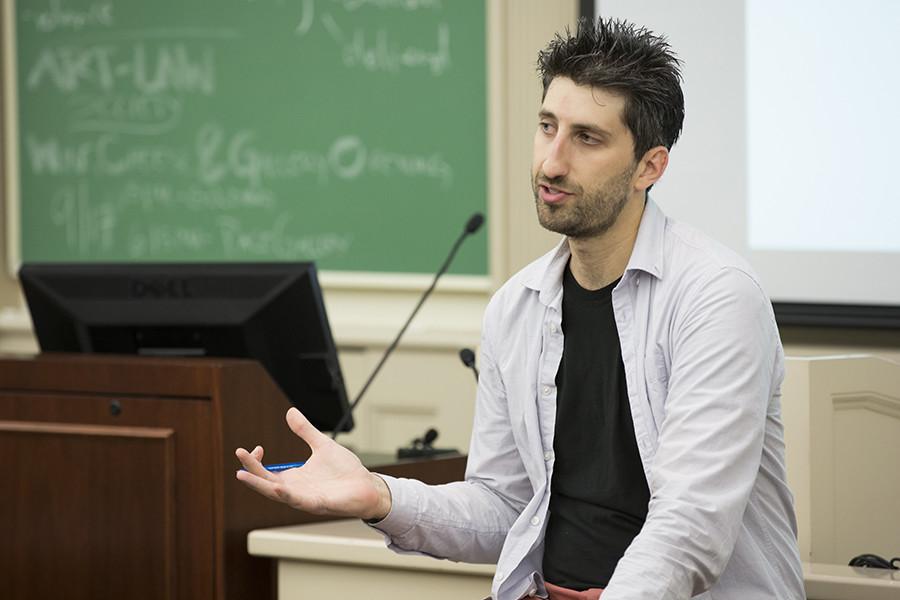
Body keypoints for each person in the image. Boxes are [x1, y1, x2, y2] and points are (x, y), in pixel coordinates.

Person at [236, 17, 805, 600]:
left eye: (587, 138)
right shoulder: (518, 307)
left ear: (649, 167)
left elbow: (690, 527)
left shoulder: (717, 296)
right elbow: (506, 505)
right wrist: (379, 496)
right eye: (546, 127)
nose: (551, 163)